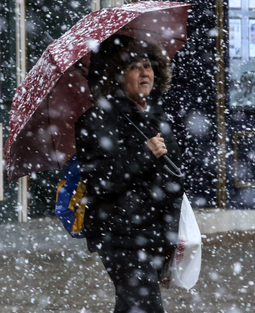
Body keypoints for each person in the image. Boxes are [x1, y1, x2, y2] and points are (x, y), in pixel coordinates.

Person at [75, 36, 185, 313]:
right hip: (120, 234)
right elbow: (100, 181)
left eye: (148, 66)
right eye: (135, 67)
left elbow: (173, 175)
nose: (145, 72)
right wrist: (145, 154)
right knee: (145, 307)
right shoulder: (96, 120)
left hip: (155, 234)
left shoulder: (158, 117)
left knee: (131, 307)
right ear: (117, 76)